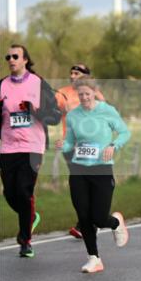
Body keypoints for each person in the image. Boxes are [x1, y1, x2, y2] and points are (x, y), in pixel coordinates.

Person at [59, 77, 130, 273]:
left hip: (102, 169)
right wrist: (62, 145)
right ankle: (94, 258)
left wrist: (114, 145)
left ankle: (115, 222)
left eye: (87, 94)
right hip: (78, 170)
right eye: (80, 94)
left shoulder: (107, 111)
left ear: (94, 92)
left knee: (99, 217)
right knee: (83, 216)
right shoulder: (73, 115)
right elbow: (70, 141)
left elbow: (124, 132)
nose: (84, 98)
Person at [0, 44, 61, 257]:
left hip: (32, 146)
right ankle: (30, 215)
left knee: (24, 191)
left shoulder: (38, 83)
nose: (11, 59)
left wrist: (36, 111)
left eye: (15, 56)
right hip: (7, 146)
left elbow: (54, 116)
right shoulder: (2, 85)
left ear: (25, 59)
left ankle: (25, 241)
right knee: (9, 192)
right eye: (8, 56)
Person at [54, 63, 105, 241]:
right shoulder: (62, 92)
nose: (73, 75)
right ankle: (86, 222)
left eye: (78, 73)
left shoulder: (94, 92)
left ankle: (88, 223)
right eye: (72, 72)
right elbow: (52, 112)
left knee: (89, 183)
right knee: (78, 185)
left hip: (90, 143)